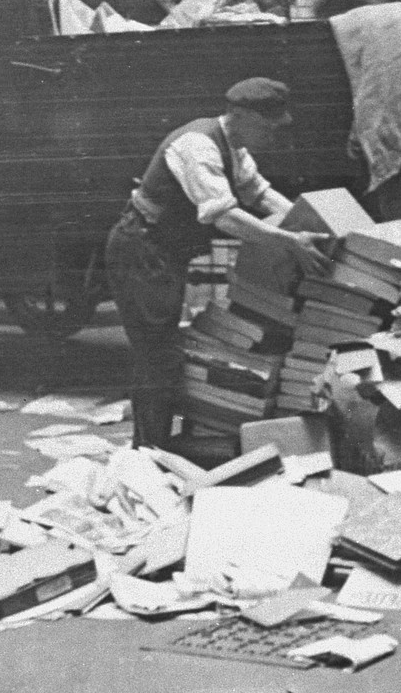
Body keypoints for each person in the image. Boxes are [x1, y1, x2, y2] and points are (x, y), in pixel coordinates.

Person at [105, 77, 331, 449]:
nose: (273, 136)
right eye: (267, 127)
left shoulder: (234, 145)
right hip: (140, 250)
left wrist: (312, 221)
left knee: (162, 353)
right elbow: (224, 216)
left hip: (163, 252)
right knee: (158, 356)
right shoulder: (198, 145)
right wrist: (291, 241)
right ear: (238, 115)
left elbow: (258, 192)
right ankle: (147, 453)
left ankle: (156, 446)